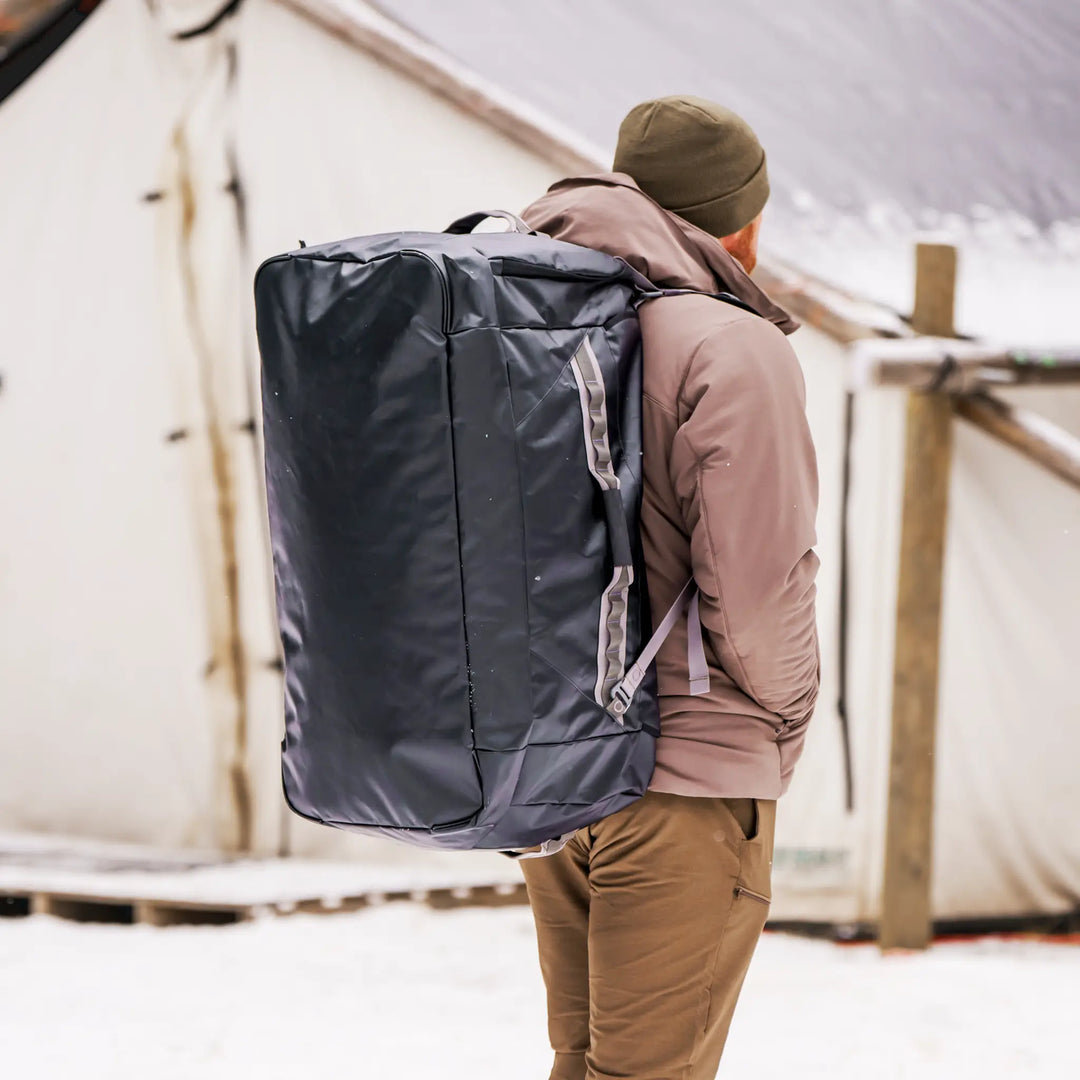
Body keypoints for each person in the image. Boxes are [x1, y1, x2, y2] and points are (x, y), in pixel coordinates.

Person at [518, 96, 821, 1080]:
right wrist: (782, 720)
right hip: (686, 779)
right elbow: (761, 584)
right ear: (740, 221)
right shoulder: (731, 348)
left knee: (590, 1061)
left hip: (554, 771)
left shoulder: (530, 322)